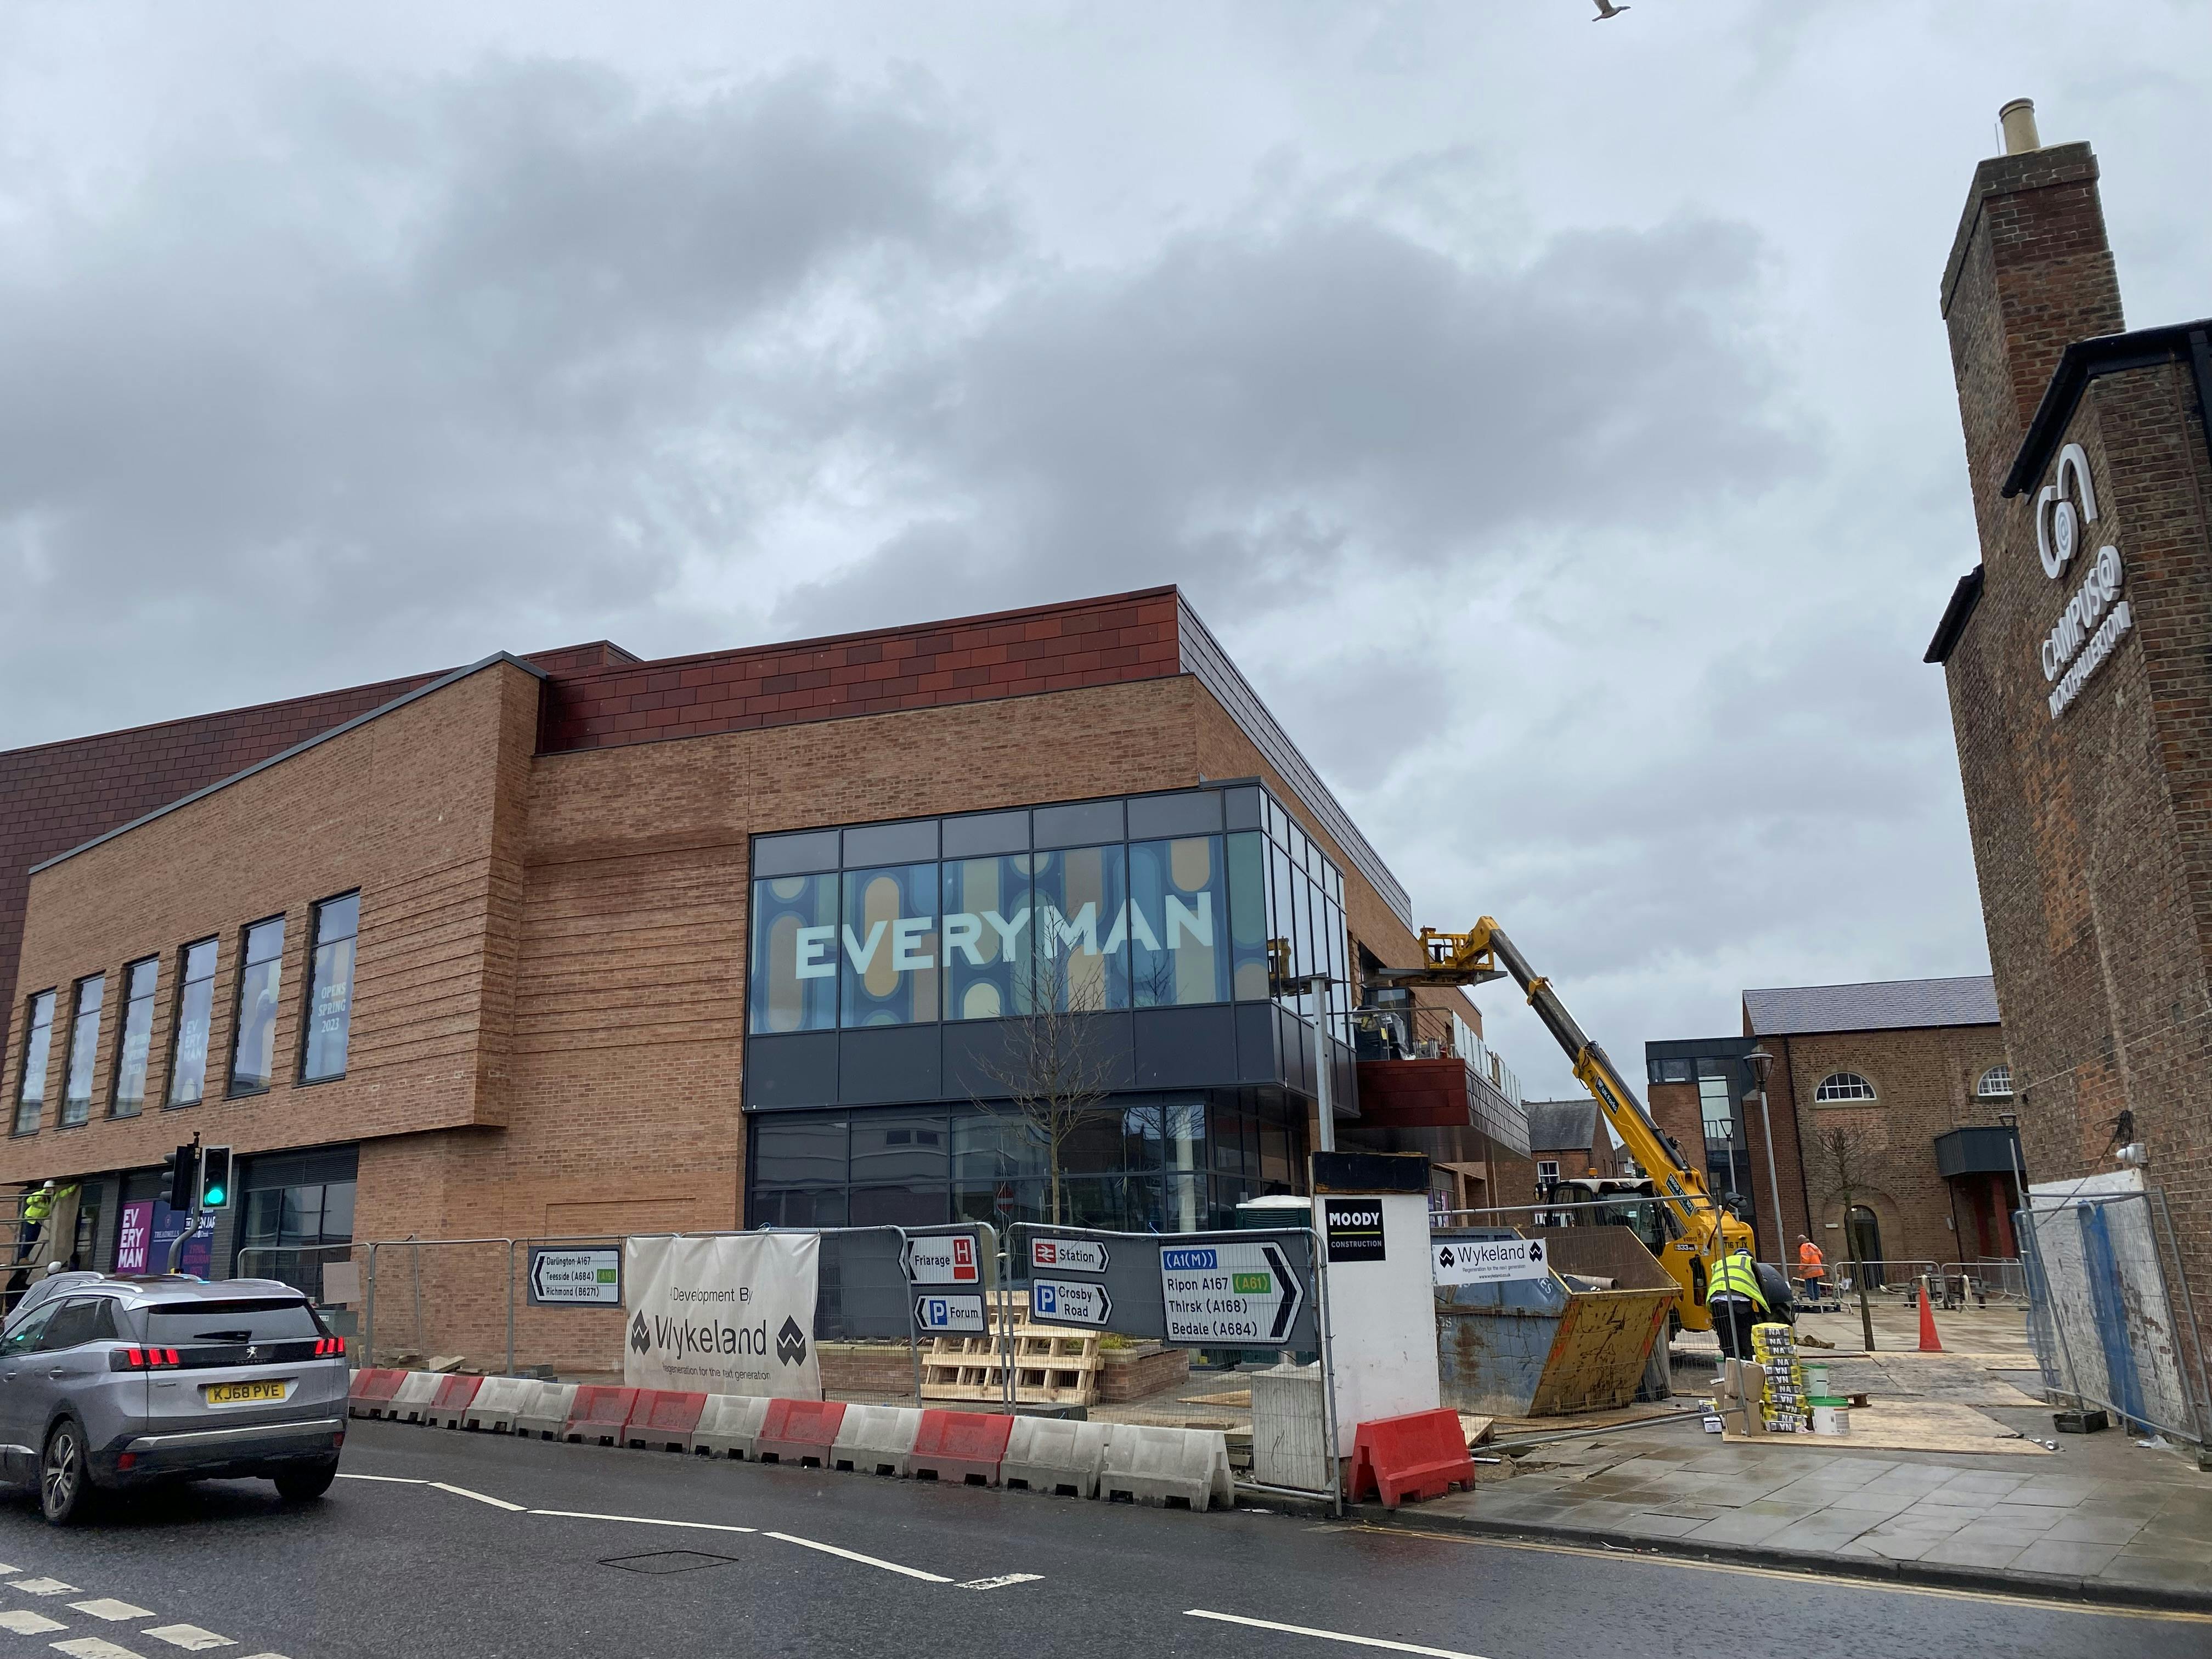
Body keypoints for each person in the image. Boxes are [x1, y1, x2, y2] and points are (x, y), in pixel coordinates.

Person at [1708, 1244, 1769, 1361]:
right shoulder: (1749, 1262)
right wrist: (1765, 1316)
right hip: (1740, 1303)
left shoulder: (1721, 1262)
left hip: (1717, 1303)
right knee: (1744, 1334)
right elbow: (1761, 1288)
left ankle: (1731, 1368)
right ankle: (1747, 1365)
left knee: (1726, 1337)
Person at [1796, 1234, 1827, 1300]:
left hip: (1809, 1269)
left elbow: (1806, 1259)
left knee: (1809, 1284)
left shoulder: (1804, 1247)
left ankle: (1811, 1298)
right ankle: (1816, 1297)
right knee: (1815, 1283)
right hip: (1817, 1268)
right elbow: (1821, 1255)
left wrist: (1801, 1268)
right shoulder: (1812, 1245)